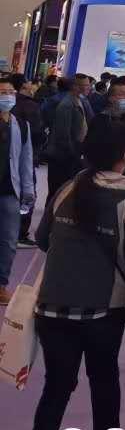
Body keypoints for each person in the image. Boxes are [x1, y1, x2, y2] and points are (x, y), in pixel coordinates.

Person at [16, 118, 125, 430]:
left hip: (52, 306)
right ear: (124, 153)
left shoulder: (68, 187)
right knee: (104, 378)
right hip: (103, 308)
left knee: (57, 386)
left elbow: (43, 239)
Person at [0, 78, 37, 307]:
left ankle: (1, 285)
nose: (7, 96)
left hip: (9, 191)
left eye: (10, 92)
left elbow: (26, 159)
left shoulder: (21, 125)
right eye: (2, 92)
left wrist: (28, 190)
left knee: (8, 241)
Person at [10, 76, 42, 248]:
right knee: (26, 193)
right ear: (24, 85)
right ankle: (20, 233)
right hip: (25, 157)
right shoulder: (30, 106)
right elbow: (37, 134)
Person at [47, 76, 90, 196]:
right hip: (63, 156)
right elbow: (63, 134)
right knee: (58, 190)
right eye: (85, 85)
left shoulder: (80, 100)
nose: (89, 88)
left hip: (73, 152)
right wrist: (74, 154)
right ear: (75, 86)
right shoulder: (66, 105)